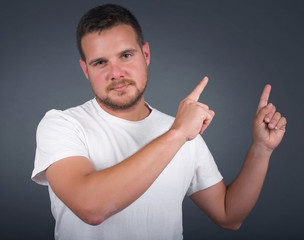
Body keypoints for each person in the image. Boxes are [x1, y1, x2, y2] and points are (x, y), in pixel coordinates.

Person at [31, 4, 286, 240]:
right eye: (100, 63)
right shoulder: (62, 124)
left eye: (126, 55)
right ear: (86, 70)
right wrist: (176, 134)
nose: (116, 73)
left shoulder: (181, 131)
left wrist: (261, 150)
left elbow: (229, 215)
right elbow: (91, 207)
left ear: (146, 54)